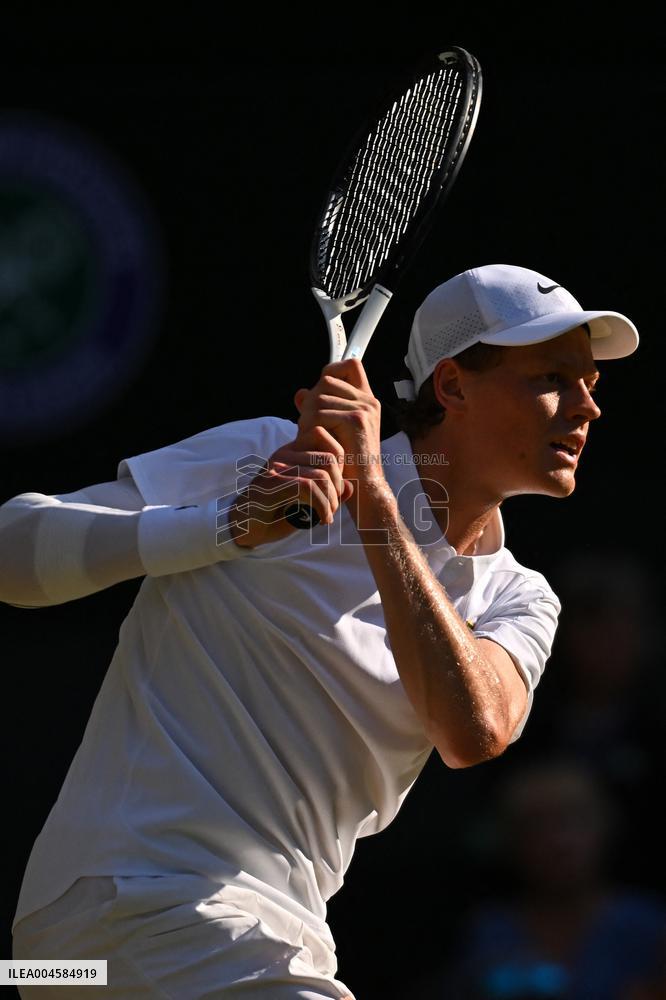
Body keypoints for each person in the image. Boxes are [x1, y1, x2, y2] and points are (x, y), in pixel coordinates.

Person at [2, 263, 638, 998]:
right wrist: (228, 525)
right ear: (454, 386)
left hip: (176, 947)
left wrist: (373, 499)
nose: (587, 407)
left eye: (591, 383)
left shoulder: (520, 597)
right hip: (136, 906)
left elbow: (474, 730)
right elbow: (12, 553)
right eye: (553, 379)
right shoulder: (265, 457)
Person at [416, 758, 666, 1000]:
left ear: (606, 824)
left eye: (576, 820)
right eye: (538, 825)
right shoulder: (489, 933)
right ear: (510, 839)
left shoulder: (647, 927)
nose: (559, 842)